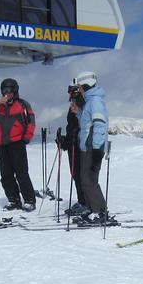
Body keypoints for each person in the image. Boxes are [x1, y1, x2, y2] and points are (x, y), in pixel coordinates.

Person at [0, 78, 37, 211]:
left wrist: (26, 138)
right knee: (6, 175)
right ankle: (13, 199)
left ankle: (29, 200)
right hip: (2, 144)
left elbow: (31, 122)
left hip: (17, 143)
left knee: (21, 173)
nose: (7, 93)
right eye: (4, 90)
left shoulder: (23, 104)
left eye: (9, 90)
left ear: (15, 90)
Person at [72, 71, 110, 223]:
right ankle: (91, 207)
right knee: (84, 179)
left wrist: (96, 149)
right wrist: (79, 113)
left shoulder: (95, 101)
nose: (79, 90)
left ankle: (99, 211)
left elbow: (99, 124)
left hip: (92, 147)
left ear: (85, 85)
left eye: (80, 87)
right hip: (87, 146)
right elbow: (87, 123)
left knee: (89, 180)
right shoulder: (90, 101)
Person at [58, 82, 87, 215]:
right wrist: (65, 141)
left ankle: (86, 202)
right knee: (75, 174)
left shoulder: (83, 104)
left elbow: (82, 124)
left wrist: (73, 139)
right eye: (70, 91)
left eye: (73, 91)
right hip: (74, 144)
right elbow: (72, 127)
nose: (71, 94)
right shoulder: (73, 105)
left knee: (80, 175)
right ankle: (82, 201)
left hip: (81, 145)